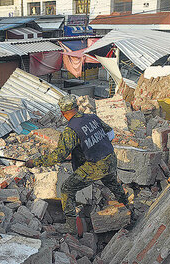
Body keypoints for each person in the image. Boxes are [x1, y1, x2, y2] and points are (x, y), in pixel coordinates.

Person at [25, 94, 128, 235]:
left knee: (67, 189)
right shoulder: (92, 117)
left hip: (96, 165)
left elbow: (58, 156)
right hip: (110, 158)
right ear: (77, 107)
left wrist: (34, 162)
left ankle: (71, 228)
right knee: (112, 183)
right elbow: (110, 132)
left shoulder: (70, 130)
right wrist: (95, 147)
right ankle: (128, 208)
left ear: (62, 113)